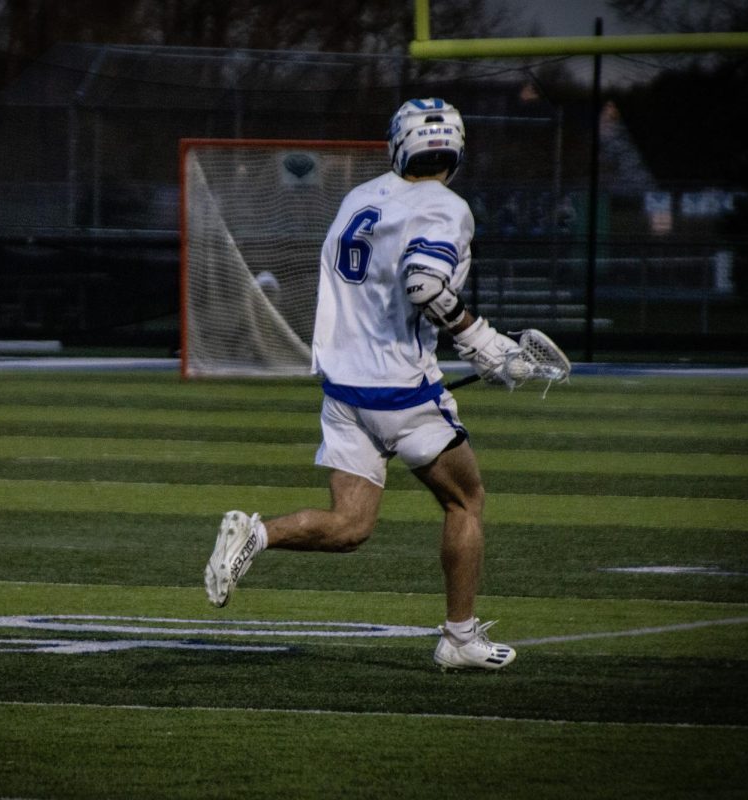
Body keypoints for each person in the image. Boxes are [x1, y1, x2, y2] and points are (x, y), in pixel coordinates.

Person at [205, 97, 531, 671]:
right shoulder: (445, 206)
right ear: (454, 148)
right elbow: (424, 285)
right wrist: (479, 336)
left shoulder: (361, 197)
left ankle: (256, 534)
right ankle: (458, 638)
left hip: (343, 389)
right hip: (401, 389)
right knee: (466, 500)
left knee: (351, 526)